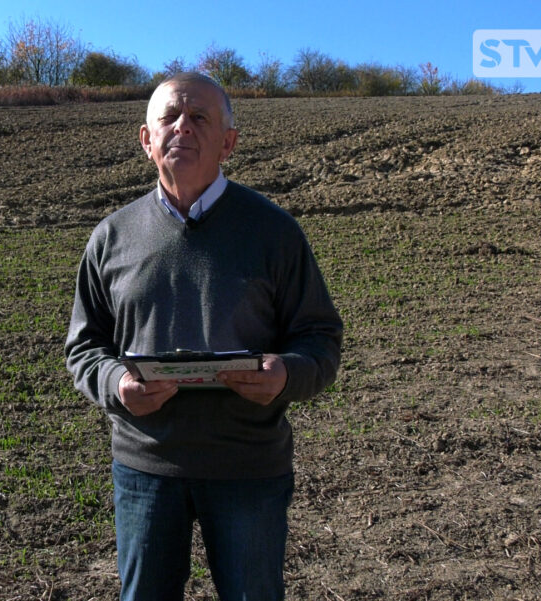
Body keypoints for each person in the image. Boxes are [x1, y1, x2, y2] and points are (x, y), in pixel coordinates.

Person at [64, 72, 343, 601]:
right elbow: (84, 345)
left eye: (199, 119)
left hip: (247, 468)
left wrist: (285, 375)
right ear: (147, 140)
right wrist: (117, 381)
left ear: (229, 142)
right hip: (145, 467)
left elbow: (320, 339)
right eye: (169, 118)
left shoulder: (275, 232)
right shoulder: (112, 237)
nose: (182, 129)